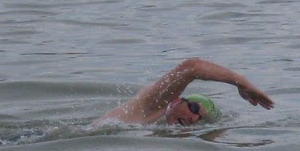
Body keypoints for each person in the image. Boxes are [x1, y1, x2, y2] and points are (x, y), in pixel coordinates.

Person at [95, 58, 274, 126]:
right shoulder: (151, 106)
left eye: (200, 119)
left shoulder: (156, 124)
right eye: (195, 109)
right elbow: (192, 68)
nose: (195, 118)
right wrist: (240, 82)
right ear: (177, 100)